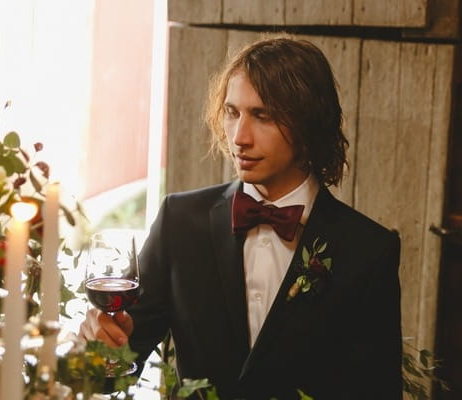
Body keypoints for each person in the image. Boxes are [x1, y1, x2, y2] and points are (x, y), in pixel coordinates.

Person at [79, 37, 402, 400]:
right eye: (232, 112)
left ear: (309, 125)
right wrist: (98, 349)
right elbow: (114, 371)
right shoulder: (181, 221)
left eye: (262, 116)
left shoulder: (369, 251)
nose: (238, 137)